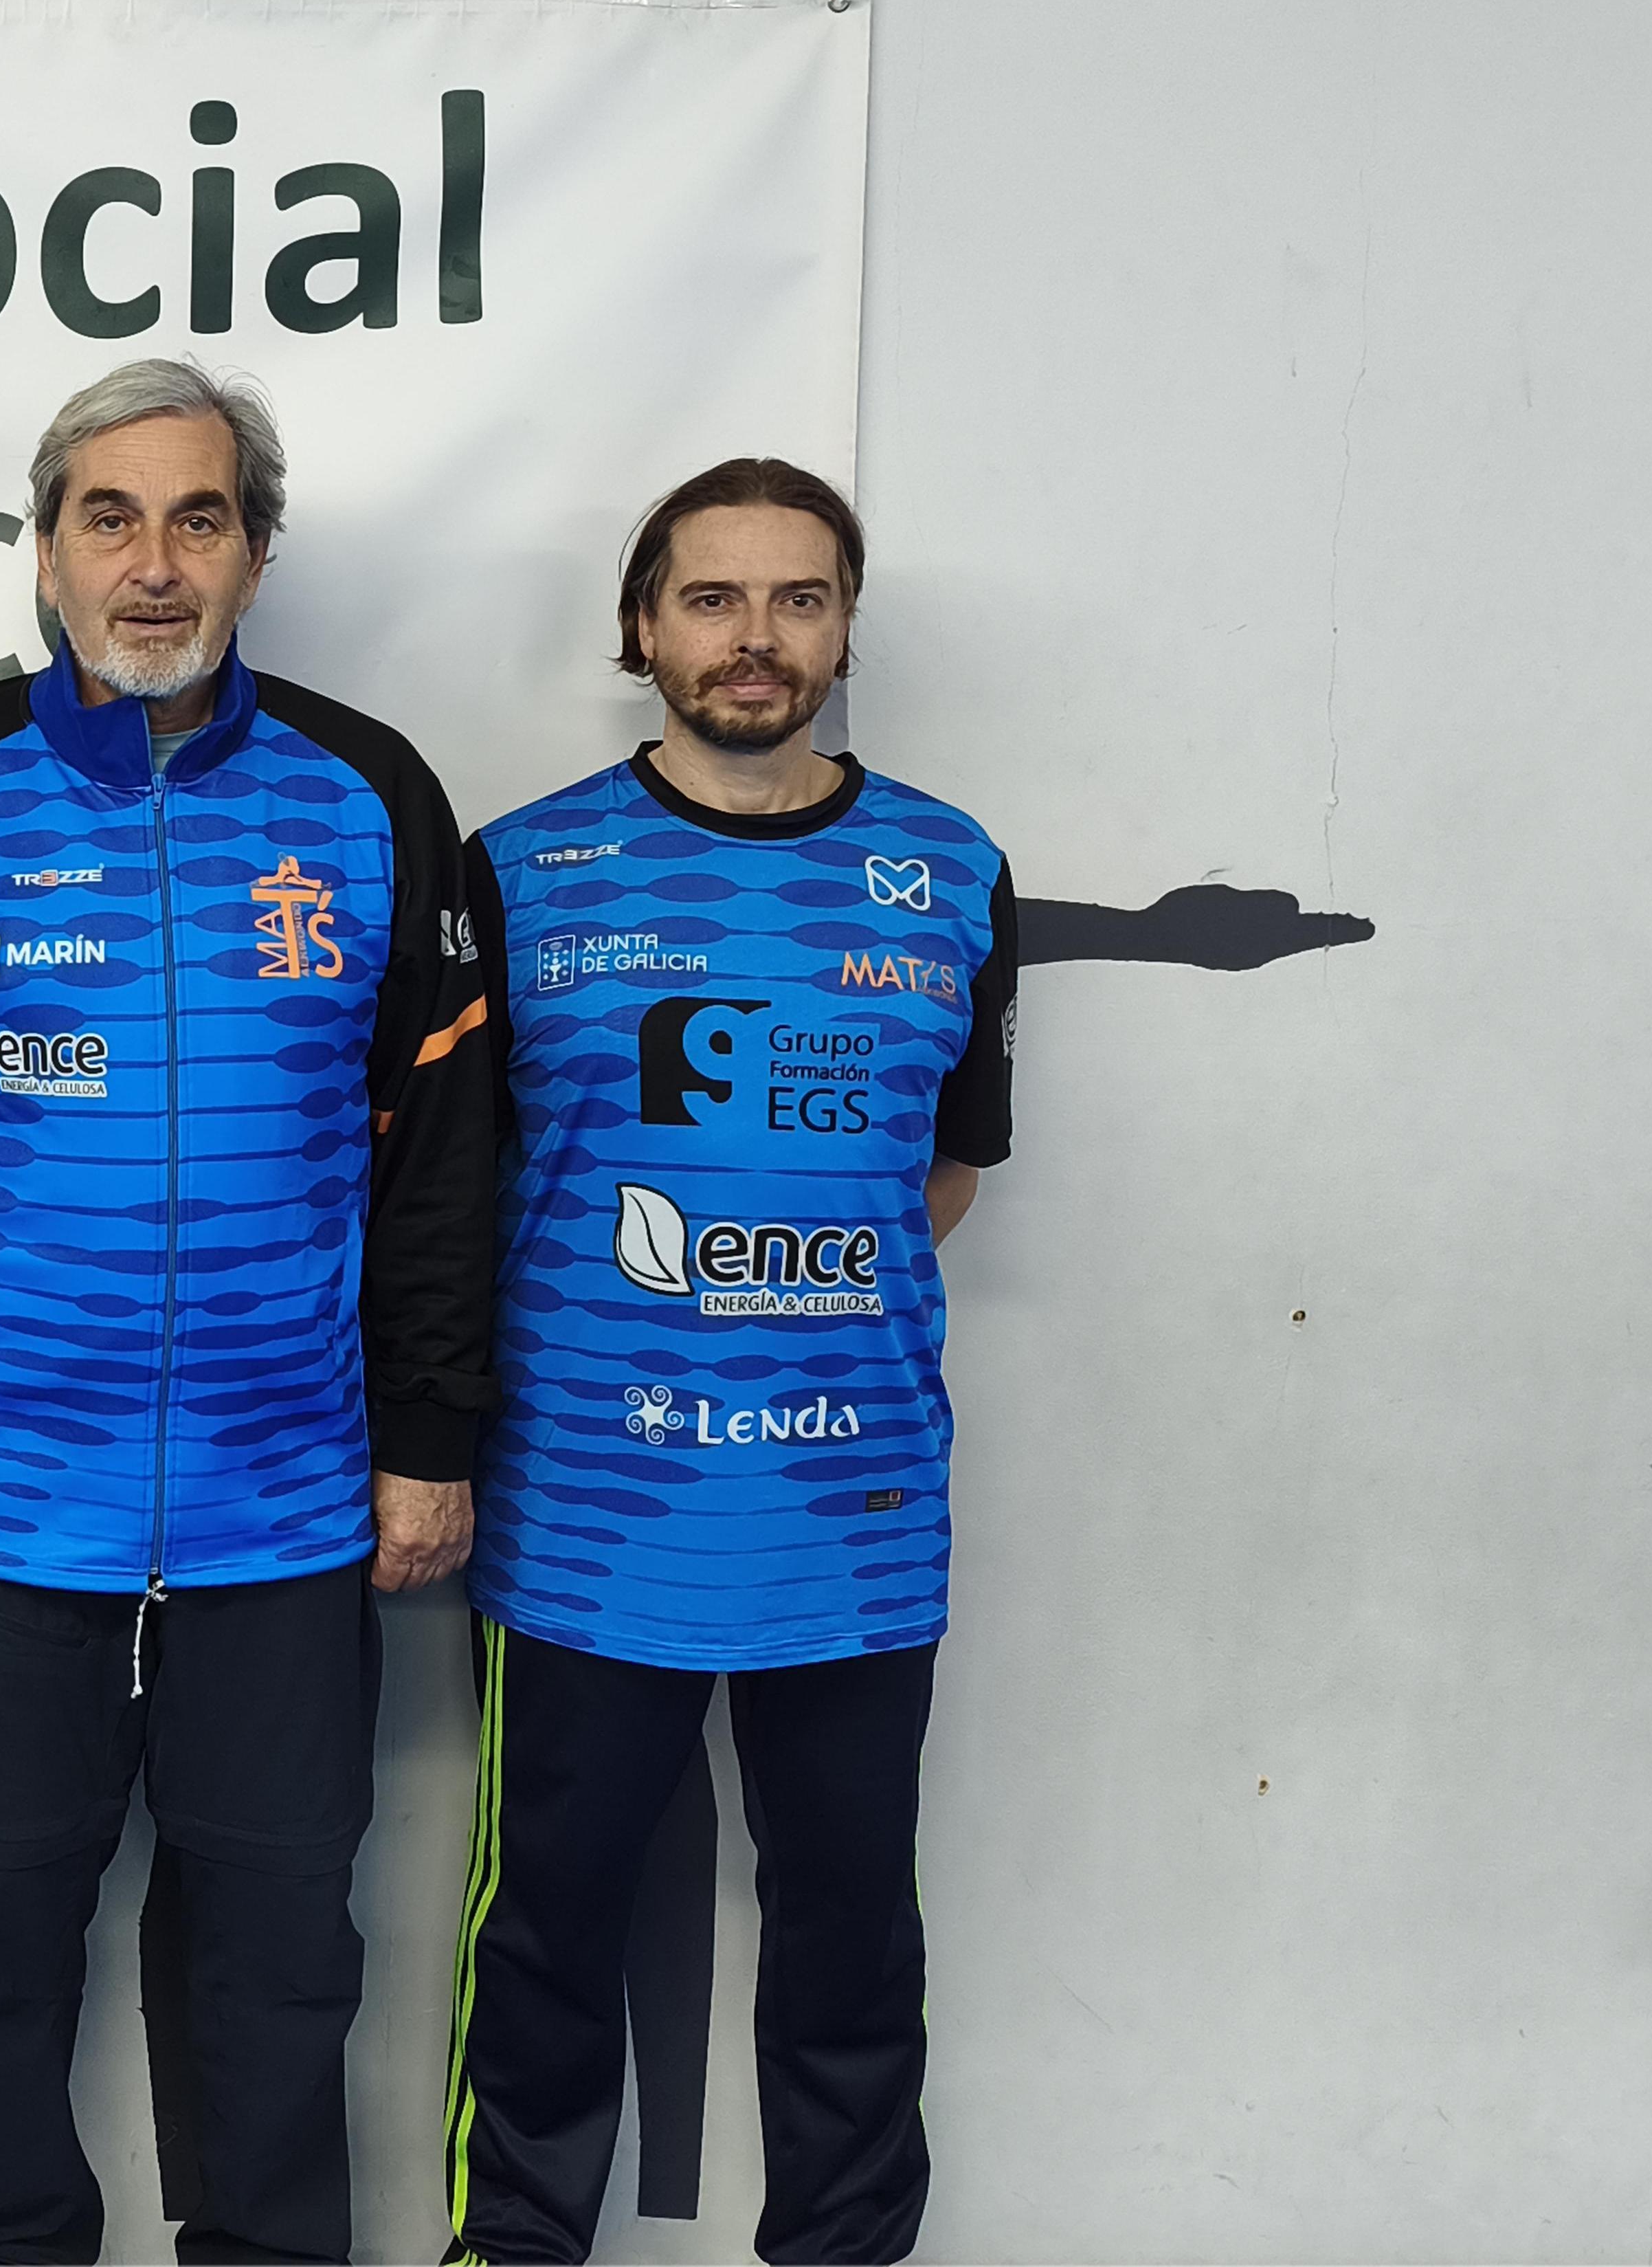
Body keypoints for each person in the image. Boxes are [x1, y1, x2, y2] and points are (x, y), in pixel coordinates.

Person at [0, 357, 500, 2266]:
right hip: (3, 1504)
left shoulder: (370, 792)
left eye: (199, 518)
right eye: (110, 517)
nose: (154, 563)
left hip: (288, 1510)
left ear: (255, 554)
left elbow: (446, 1155)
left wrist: (430, 1434)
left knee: (281, 1958)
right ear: (44, 553)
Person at [438, 458, 1016, 2267]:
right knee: (547, 1930)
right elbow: (450, 1186)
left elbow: (944, 1172)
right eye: (711, 597)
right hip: (589, 1518)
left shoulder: (951, 869)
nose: (755, 637)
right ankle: (512, 2245)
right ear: (643, 624)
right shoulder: (519, 871)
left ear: (842, 626)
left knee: (853, 1937)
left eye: (797, 598)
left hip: (851, 1521)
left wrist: (780, 1297)